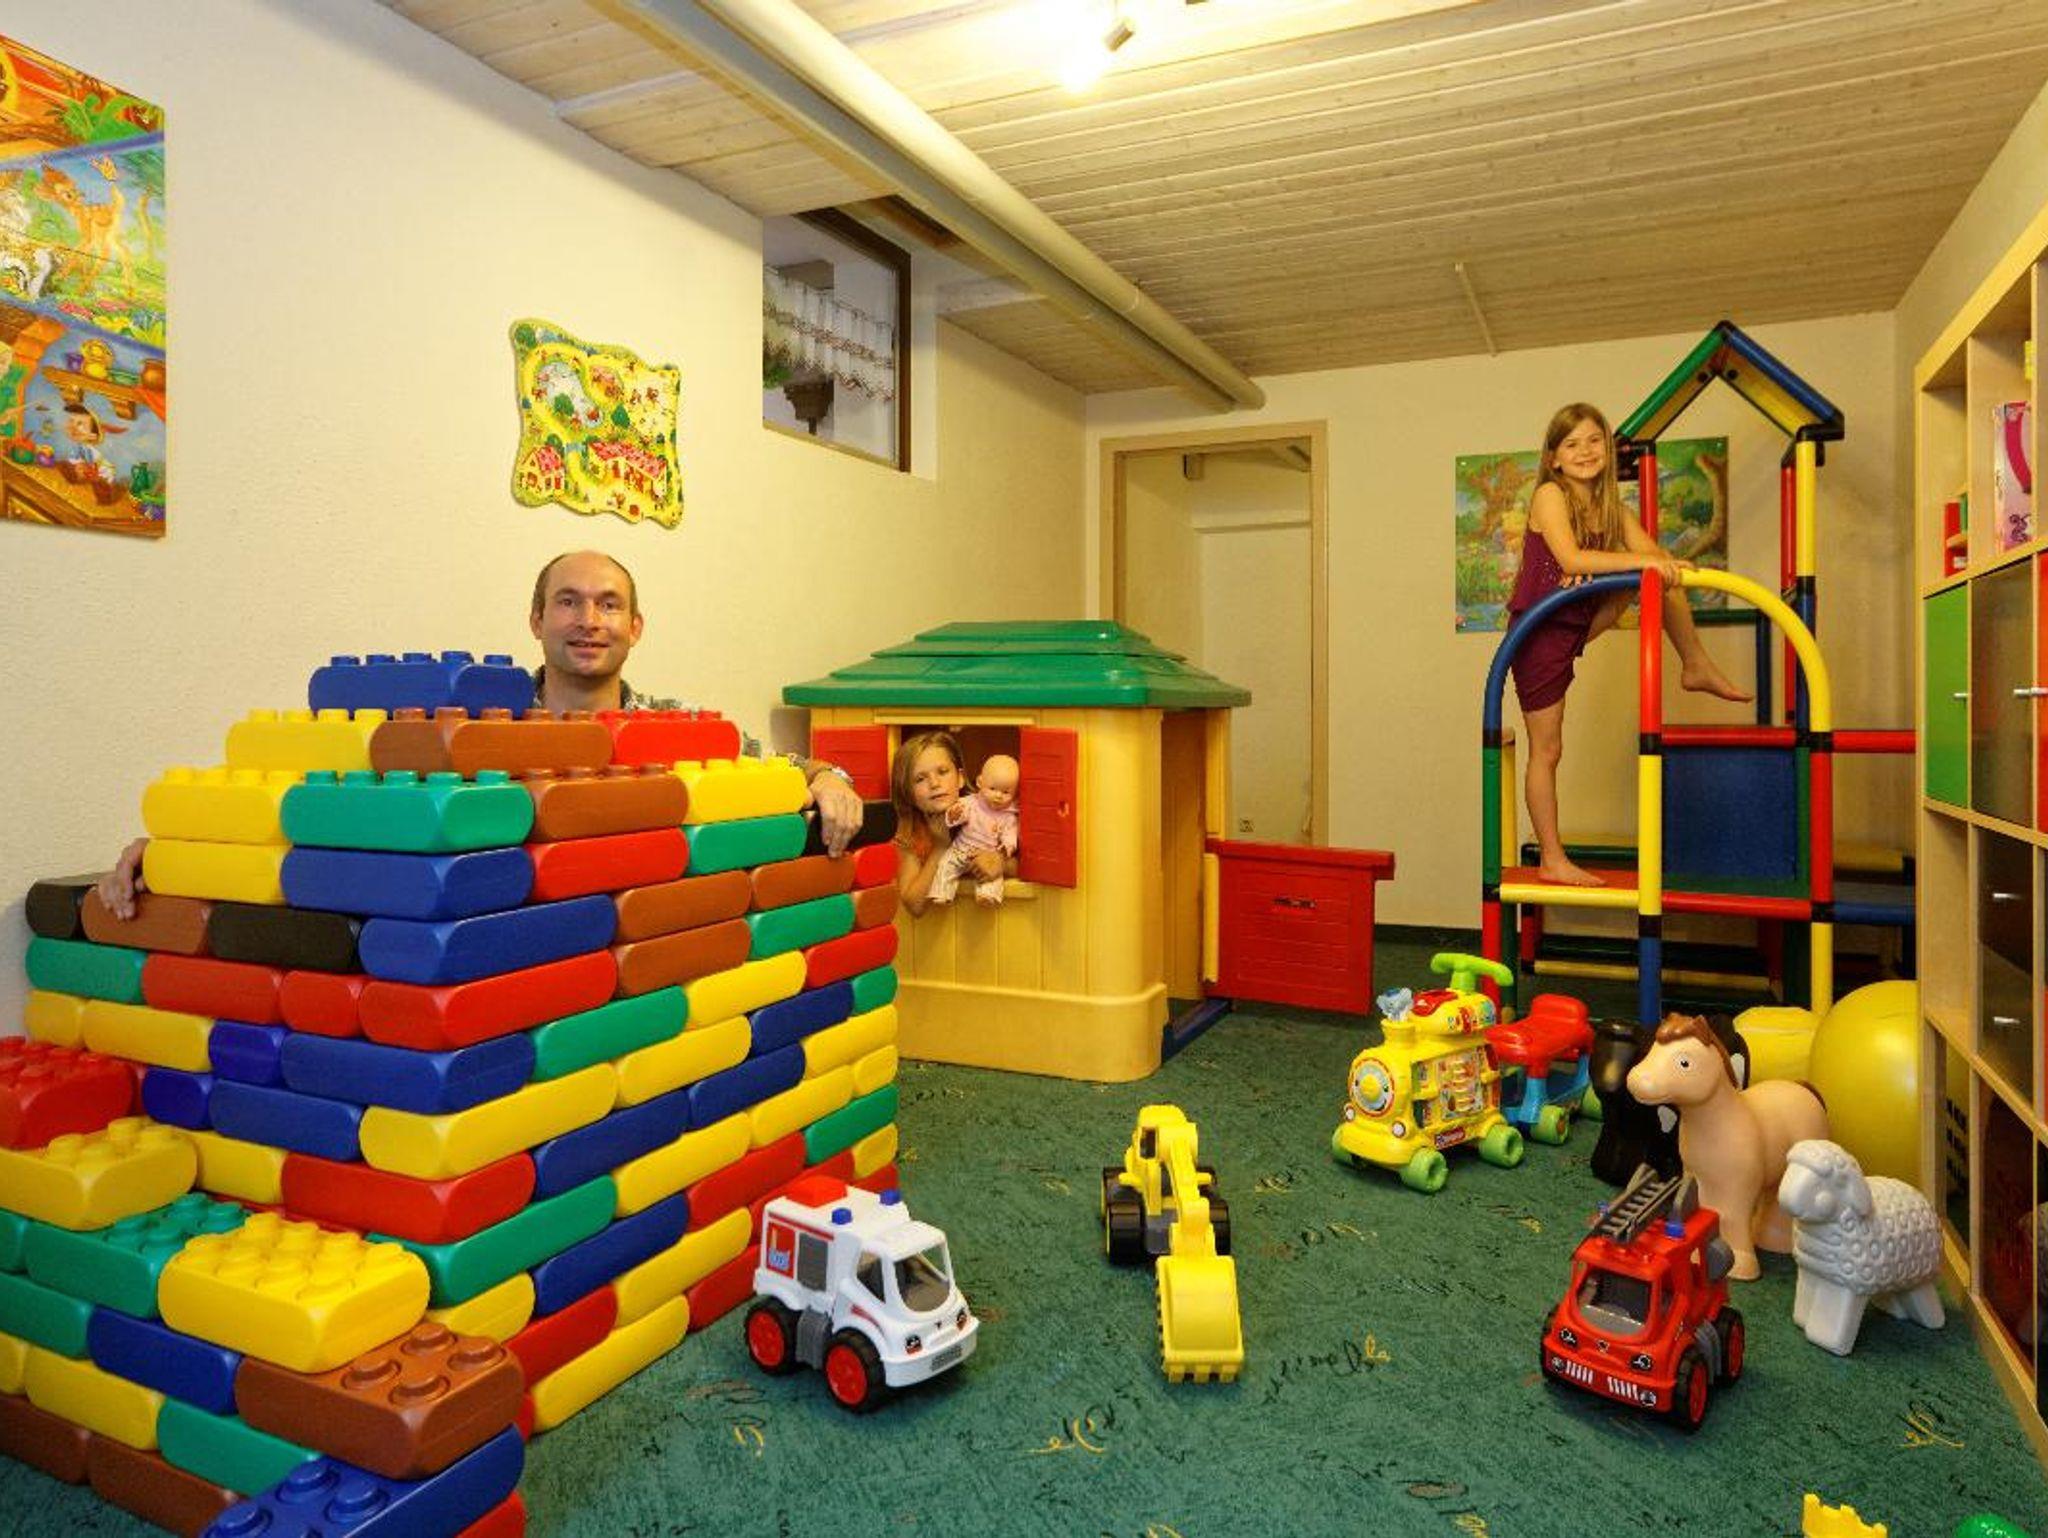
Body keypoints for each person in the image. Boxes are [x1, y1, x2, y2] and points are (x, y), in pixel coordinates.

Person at [95, 549, 865, 918]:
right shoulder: (468, 731)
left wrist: (830, 778)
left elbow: (769, 764)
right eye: (568, 602)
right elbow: (327, 797)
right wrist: (177, 849)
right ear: (536, 620)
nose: (588, 621)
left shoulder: (669, 723)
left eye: (608, 605)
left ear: (636, 627)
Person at [1509, 404, 1750, 888]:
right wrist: (1628, 562)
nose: (1584, 451)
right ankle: (1552, 858)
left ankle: (1695, 663)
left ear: (1608, 447)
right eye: (1571, 444)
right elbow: (1571, 558)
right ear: (1554, 458)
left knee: (1662, 574)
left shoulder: (1613, 512)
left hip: (1576, 619)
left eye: (1594, 440)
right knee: (1548, 749)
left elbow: (1654, 556)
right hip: (1540, 632)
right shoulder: (1550, 495)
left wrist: (1646, 564)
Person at [890, 731, 1014, 919]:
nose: (934, 783)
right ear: (908, 792)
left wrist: (1000, 862)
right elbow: (914, 904)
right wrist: (941, 846)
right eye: (920, 779)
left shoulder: (988, 811)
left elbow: (1027, 864)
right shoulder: (910, 830)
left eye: (942, 772)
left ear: (960, 778)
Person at [933, 753, 1020, 907]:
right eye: (992, 788)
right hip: (961, 850)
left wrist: (1007, 847)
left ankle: (988, 895)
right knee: (946, 864)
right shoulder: (971, 802)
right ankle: (942, 892)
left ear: (1015, 793)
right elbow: (961, 813)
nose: (998, 796)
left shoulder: (1008, 815)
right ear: (980, 782)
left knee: (993, 876)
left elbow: (1010, 834)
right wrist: (954, 815)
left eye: (1006, 792)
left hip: (986, 857)